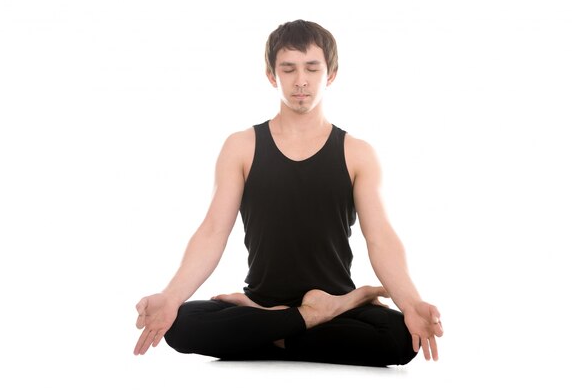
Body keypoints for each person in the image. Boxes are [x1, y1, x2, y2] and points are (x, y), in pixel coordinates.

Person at [133, 19, 443, 367]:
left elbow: (381, 238)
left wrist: (412, 303)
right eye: (288, 69)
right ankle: (312, 317)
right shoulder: (241, 147)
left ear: (331, 74)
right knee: (180, 324)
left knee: (401, 339)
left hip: (311, 306)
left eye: (312, 68)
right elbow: (212, 232)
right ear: (271, 75)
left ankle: (282, 324)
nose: (301, 81)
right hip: (267, 301)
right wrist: (171, 297)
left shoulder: (357, 152)